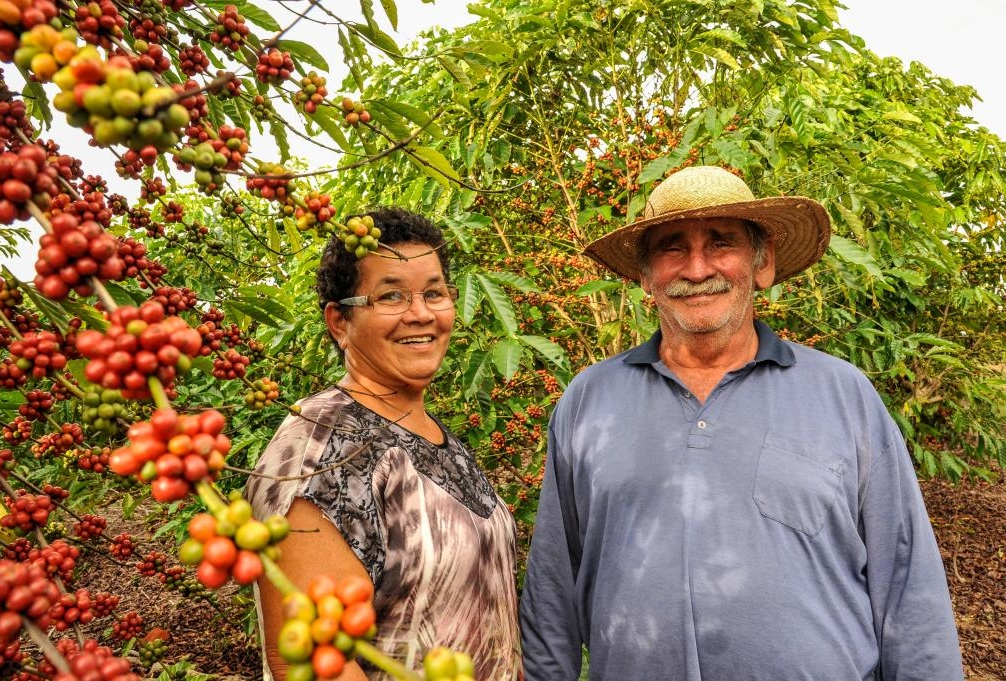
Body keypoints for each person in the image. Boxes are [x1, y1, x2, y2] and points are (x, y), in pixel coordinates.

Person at [519, 166, 963, 681]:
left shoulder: (843, 394)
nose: (698, 268)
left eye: (722, 242)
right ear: (645, 276)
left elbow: (907, 580)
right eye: (672, 248)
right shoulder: (589, 400)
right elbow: (553, 585)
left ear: (763, 263)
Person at [246, 207, 522, 681]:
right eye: (391, 295)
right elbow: (314, 664)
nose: (421, 314)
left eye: (434, 293)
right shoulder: (318, 451)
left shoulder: (433, 433)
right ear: (339, 322)